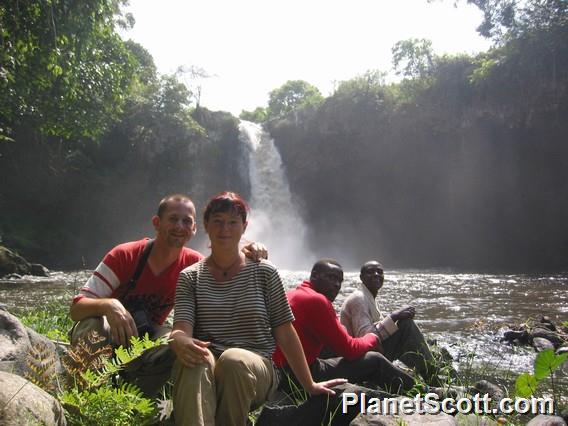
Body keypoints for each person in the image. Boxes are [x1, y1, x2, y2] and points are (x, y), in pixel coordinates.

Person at [170, 192, 345, 426]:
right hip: (209, 361)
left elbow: (285, 331)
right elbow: (182, 329)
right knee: (193, 361)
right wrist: (179, 339)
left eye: (233, 222)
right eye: (218, 221)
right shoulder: (190, 277)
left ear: (244, 227)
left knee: (233, 360)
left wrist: (309, 384)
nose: (225, 229)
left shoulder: (264, 272)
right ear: (206, 225)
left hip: (257, 368)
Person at [69, 193, 266, 396]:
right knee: (94, 325)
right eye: (173, 219)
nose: (179, 226)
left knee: (180, 344)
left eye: (186, 221)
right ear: (157, 222)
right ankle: (82, 401)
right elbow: (76, 309)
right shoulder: (125, 255)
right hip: (109, 334)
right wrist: (109, 305)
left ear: (194, 229)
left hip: (148, 337)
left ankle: (135, 403)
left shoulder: (194, 265)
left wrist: (247, 249)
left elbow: (226, 265)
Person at [272, 259, 416, 397]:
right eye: (331, 277)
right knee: (374, 360)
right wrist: (372, 338)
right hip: (300, 376)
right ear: (314, 275)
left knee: (334, 350)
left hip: (281, 372)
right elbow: (350, 350)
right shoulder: (318, 300)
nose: (336, 285)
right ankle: (418, 391)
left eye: (339, 281)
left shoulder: (293, 294)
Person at [340, 260, 441, 386]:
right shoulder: (359, 298)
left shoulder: (367, 296)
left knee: (401, 328)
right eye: (370, 272)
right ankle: (434, 378)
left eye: (379, 272)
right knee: (405, 326)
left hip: (365, 355)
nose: (376, 274)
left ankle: (428, 375)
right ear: (361, 277)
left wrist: (394, 321)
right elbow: (364, 337)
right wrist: (394, 317)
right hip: (358, 360)